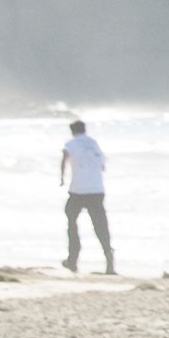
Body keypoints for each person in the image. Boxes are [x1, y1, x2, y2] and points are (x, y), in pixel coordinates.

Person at [55, 115, 112, 274]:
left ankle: (73, 259)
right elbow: (102, 165)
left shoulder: (71, 143)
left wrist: (61, 177)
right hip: (97, 190)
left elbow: (64, 157)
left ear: (72, 131)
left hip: (78, 190)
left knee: (71, 221)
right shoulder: (94, 143)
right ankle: (109, 260)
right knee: (100, 226)